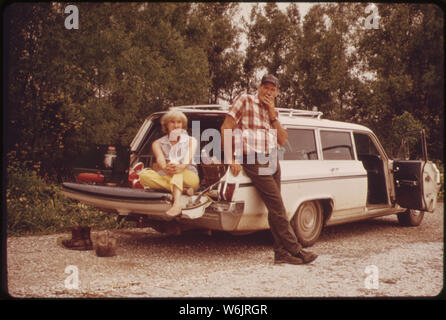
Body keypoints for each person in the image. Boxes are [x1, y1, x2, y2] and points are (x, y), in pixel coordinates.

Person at [220, 74, 318, 265]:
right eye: (266, 87)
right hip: (252, 157)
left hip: (272, 158)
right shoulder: (245, 100)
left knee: (276, 207)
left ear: (277, 92)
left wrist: (272, 113)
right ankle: (296, 249)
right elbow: (226, 127)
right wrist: (230, 158)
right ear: (259, 88)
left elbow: (282, 140)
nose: (268, 91)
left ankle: (280, 254)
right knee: (278, 206)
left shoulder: (273, 112)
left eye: (273, 89)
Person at [130, 110, 200, 217]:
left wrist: (179, 166)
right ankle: (183, 190)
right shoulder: (157, 143)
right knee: (144, 175)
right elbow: (160, 161)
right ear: (166, 125)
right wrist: (165, 168)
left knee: (175, 168)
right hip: (168, 173)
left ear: (183, 125)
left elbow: (187, 159)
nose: (176, 125)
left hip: (190, 177)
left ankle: (176, 205)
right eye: (172, 122)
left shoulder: (191, 140)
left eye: (179, 122)